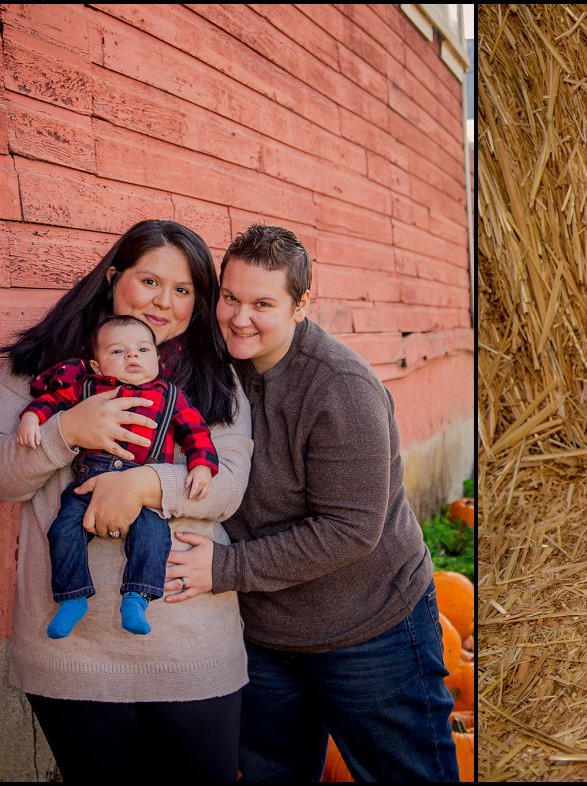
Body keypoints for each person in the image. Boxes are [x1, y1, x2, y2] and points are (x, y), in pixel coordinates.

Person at [163, 224, 459, 781]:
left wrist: (225, 567)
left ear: (301, 305)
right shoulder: (214, 366)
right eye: (230, 297)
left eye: (262, 304)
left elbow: (349, 530)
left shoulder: (341, 388)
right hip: (265, 637)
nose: (239, 317)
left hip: (371, 628)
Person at [0, 219, 251, 780]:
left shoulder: (211, 377)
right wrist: (66, 431)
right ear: (112, 277)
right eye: (150, 281)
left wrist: (145, 484)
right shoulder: (41, 372)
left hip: (189, 641)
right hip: (72, 651)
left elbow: (228, 486)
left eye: (183, 290)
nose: (164, 303)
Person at [19, 315, 220, 638]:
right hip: (87, 482)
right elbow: (51, 401)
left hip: (143, 484)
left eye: (142, 349)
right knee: (63, 530)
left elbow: (196, 431)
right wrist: (31, 418)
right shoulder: (87, 388)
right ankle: (73, 597)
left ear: (157, 359)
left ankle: (137, 595)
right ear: (97, 367)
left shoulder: (170, 396)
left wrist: (201, 465)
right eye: (117, 352)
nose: (132, 356)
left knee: (154, 536)